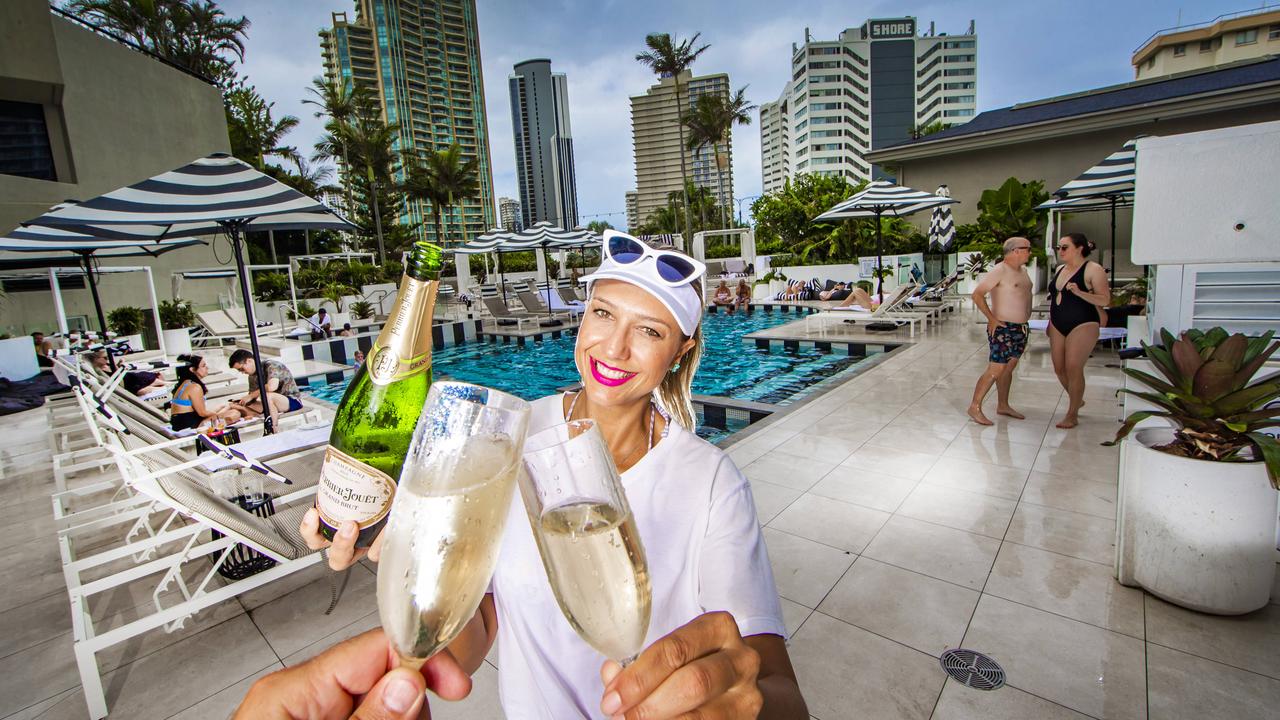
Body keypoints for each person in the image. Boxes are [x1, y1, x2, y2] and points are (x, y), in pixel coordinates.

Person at [297, 230, 807, 720]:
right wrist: (410, 556)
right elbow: (477, 633)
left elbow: (778, 687)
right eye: (603, 314)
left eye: (650, 330)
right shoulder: (505, 438)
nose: (614, 347)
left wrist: (742, 703)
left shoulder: (712, 482)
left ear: (680, 353)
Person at [968, 237, 1034, 426]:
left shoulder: (1022, 271)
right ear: (1015, 251)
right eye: (1027, 249)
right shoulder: (1000, 270)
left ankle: (1003, 405)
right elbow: (977, 294)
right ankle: (975, 406)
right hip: (1003, 327)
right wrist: (992, 318)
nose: (1030, 252)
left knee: (1008, 368)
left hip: (1020, 328)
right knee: (996, 368)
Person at [1047, 233, 1111, 429]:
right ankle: (1077, 398)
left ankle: (1072, 413)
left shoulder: (1093, 269)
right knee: (1059, 368)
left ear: (1079, 248)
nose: (1060, 251)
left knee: (1074, 367)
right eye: (1059, 247)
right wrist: (1051, 322)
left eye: (1064, 247)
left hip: (1083, 322)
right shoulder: (1060, 269)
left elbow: (1105, 300)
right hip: (1058, 322)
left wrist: (1080, 292)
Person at [227, 349, 304, 426]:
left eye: (242, 369)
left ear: (249, 361)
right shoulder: (251, 376)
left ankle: (273, 427)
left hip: (292, 401)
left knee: (267, 396)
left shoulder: (272, 365)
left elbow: (272, 387)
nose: (242, 372)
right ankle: (221, 420)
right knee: (235, 405)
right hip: (271, 404)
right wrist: (243, 401)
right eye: (239, 371)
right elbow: (252, 398)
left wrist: (250, 396)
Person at [170, 354, 241, 431]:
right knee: (234, 413)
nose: (207, 368)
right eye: (203, 366)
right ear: (192, 369)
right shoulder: (194, 387)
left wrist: (221, 409)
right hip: (189, 426)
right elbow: (202, 413)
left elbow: (199, 412)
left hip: (182, 423)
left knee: (223, 407)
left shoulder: (186, 384)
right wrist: (219, 414)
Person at [86, 349, 166, 396]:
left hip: (130, 378)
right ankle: (167, 386)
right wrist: (116, 366)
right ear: (96, 359)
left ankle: (166, 385)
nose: (107, 359)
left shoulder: (105, 364)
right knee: (149, 379)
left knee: (152, 376)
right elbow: (116, 379)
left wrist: (118, 364)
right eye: (105, 357)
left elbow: (116, 372)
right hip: (130, 383)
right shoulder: (99, 371)